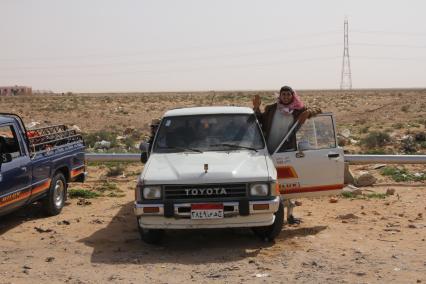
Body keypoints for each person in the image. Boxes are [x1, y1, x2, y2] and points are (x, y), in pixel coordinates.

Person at [253, 85, 321, 224]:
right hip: (269, 150)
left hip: (287, 151)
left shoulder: (297, 109)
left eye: (288, 94)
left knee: (289, 185)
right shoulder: (272, 108)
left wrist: (307, 113)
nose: (285, 97)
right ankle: (266, 214)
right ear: (280, 96)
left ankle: (290, 215)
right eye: (283, 94)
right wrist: (256, 108)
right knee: (271, 183)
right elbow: (260, 120)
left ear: (292, 95)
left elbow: (319, 110)